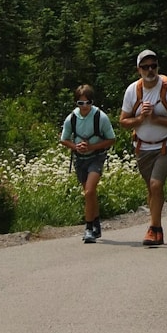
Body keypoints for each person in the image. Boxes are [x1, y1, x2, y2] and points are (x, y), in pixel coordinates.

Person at [119, 49, 167, 247]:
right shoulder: (133, 91)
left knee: (156, 185)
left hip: (166, 145)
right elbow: (123, 121)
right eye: (145, 67)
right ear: (138, 70)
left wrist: (156, 118)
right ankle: (157, 230)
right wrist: (140, 118)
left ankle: (153, 228)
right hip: (142, 147)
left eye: (153, 66)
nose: (150, 70)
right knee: (152, 189)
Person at [60, 85, 116, 244]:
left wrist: (91, 147)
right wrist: (76, 147)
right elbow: (64, 139)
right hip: (80, 160)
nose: (84, 106)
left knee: (89, 191)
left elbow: (111, 139)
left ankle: (89, 228)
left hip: (96, 158)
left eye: (87, 102)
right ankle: (96, 223)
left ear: (92, 102)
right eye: (80, 103)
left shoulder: (100, 117)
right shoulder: (72, 118)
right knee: (89, 193)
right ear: (76, 103)